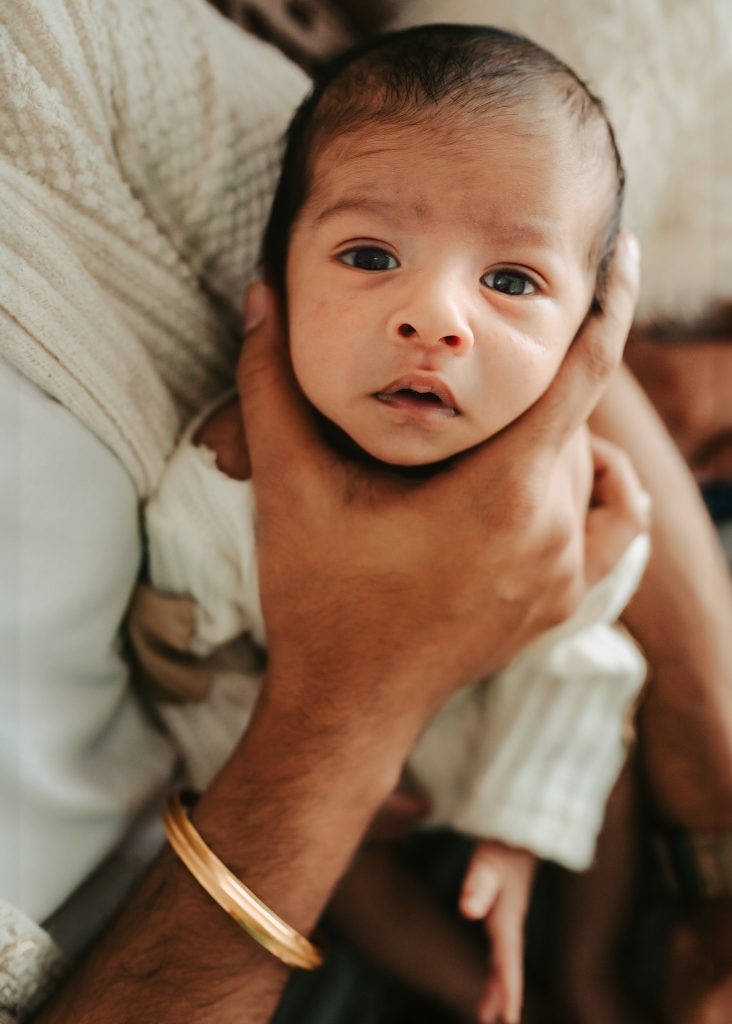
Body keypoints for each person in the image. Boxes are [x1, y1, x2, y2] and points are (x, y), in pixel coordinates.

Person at [0, 1, 720, 1021]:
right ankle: (505, 998)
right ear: (273, 282)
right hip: (309, 786)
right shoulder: (234, 466)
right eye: (369, 258)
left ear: (587, 335)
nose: (434, 316)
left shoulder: (578, 489)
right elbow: (189, 648)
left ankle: (594, 971)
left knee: (604, 778)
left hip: (514, 728)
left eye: (512, 280)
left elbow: (586, 661)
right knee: (357, 894)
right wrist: (302, 743)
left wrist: (518, 832)